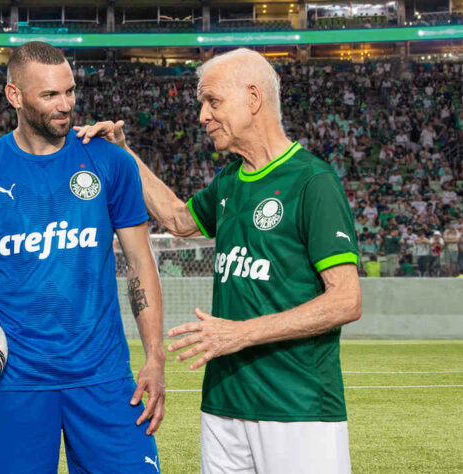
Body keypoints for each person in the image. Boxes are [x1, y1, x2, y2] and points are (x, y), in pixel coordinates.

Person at [77, 48, 361, 474]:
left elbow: (346, 301)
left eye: (212, 101)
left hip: (297, 407)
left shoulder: (313, 182)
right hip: (224, 405)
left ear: (252, 98)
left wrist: (240, 334)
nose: (202, 116)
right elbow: (176, 218)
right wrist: (123, 152)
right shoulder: (229, 180)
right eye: (202, 104)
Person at [0, 41, 166, 474]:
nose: (65, 106)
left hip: (104, 379)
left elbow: (140, 262)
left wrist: (155, 356)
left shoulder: (111, 162)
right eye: (49, 95)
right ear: (15, 96)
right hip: (14, 383)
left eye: (70, 91)